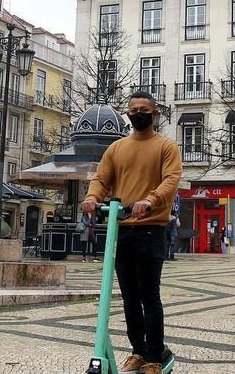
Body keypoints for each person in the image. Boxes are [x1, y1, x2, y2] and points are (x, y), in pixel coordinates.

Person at [82, 91, 182, 374]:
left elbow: (171, 180)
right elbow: (102, 178)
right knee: (128, 295)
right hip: (122, 230)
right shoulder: (116, 148)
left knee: (149, 295)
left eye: (144, 110)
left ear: (155, 114)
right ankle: (138, 350)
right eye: (133, 109)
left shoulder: (166, 147)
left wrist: (150, 200)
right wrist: (92, 197)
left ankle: (155, 356)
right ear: (128, 113)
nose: (138, 113)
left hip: (151, 229)